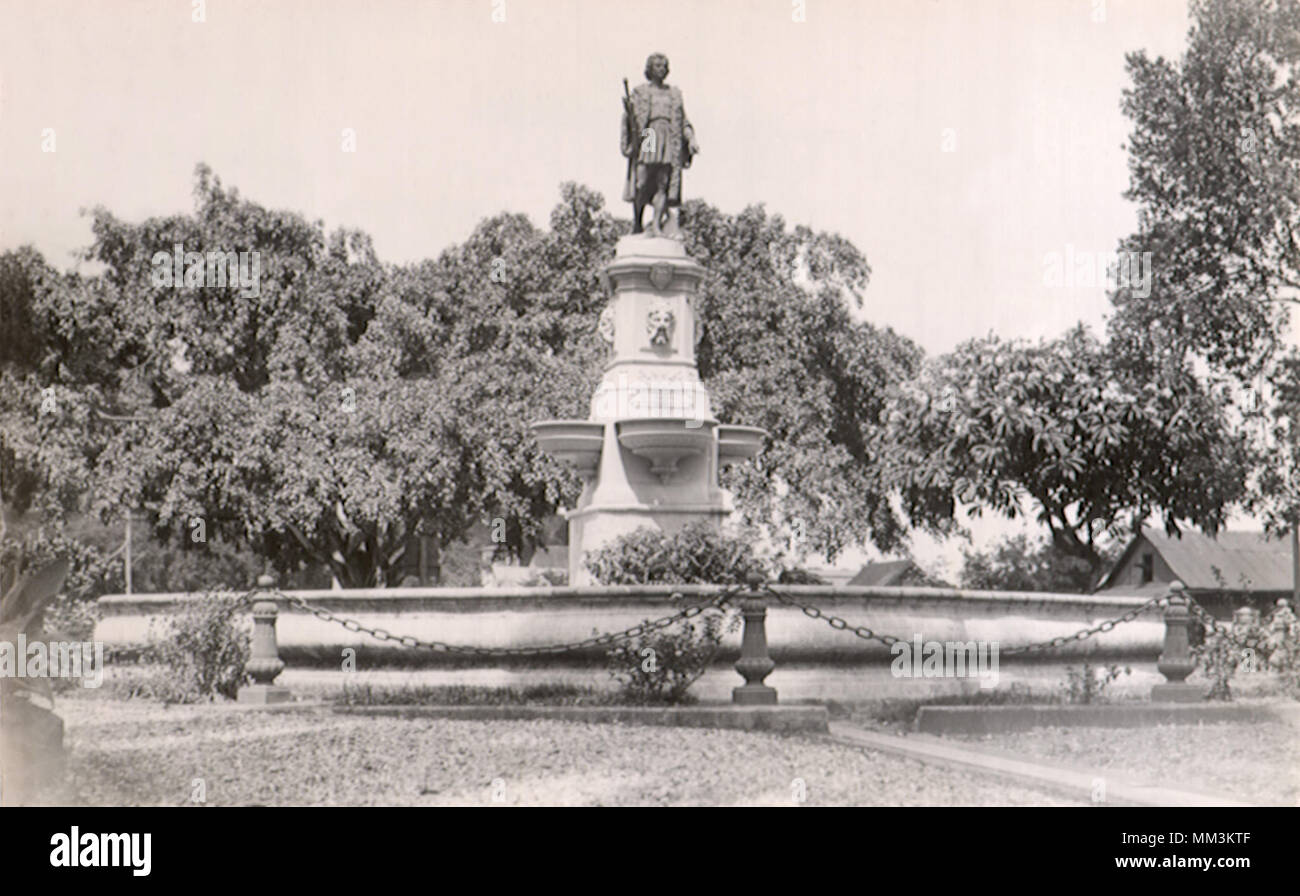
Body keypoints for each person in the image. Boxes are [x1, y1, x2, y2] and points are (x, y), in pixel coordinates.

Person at [621, 53, 700, 237]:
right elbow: (630, 119)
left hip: (668, 138)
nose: (661, 69)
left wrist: (691, 139)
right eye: (657, 65)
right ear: (649, 69)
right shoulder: (641, 92)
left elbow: (684, 123)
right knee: (641, 181)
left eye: (664, 65)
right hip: (649, 135)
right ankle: (638, 222)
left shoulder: (674, 94)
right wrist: (628, 112)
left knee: (662, 183)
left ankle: (656, 224)